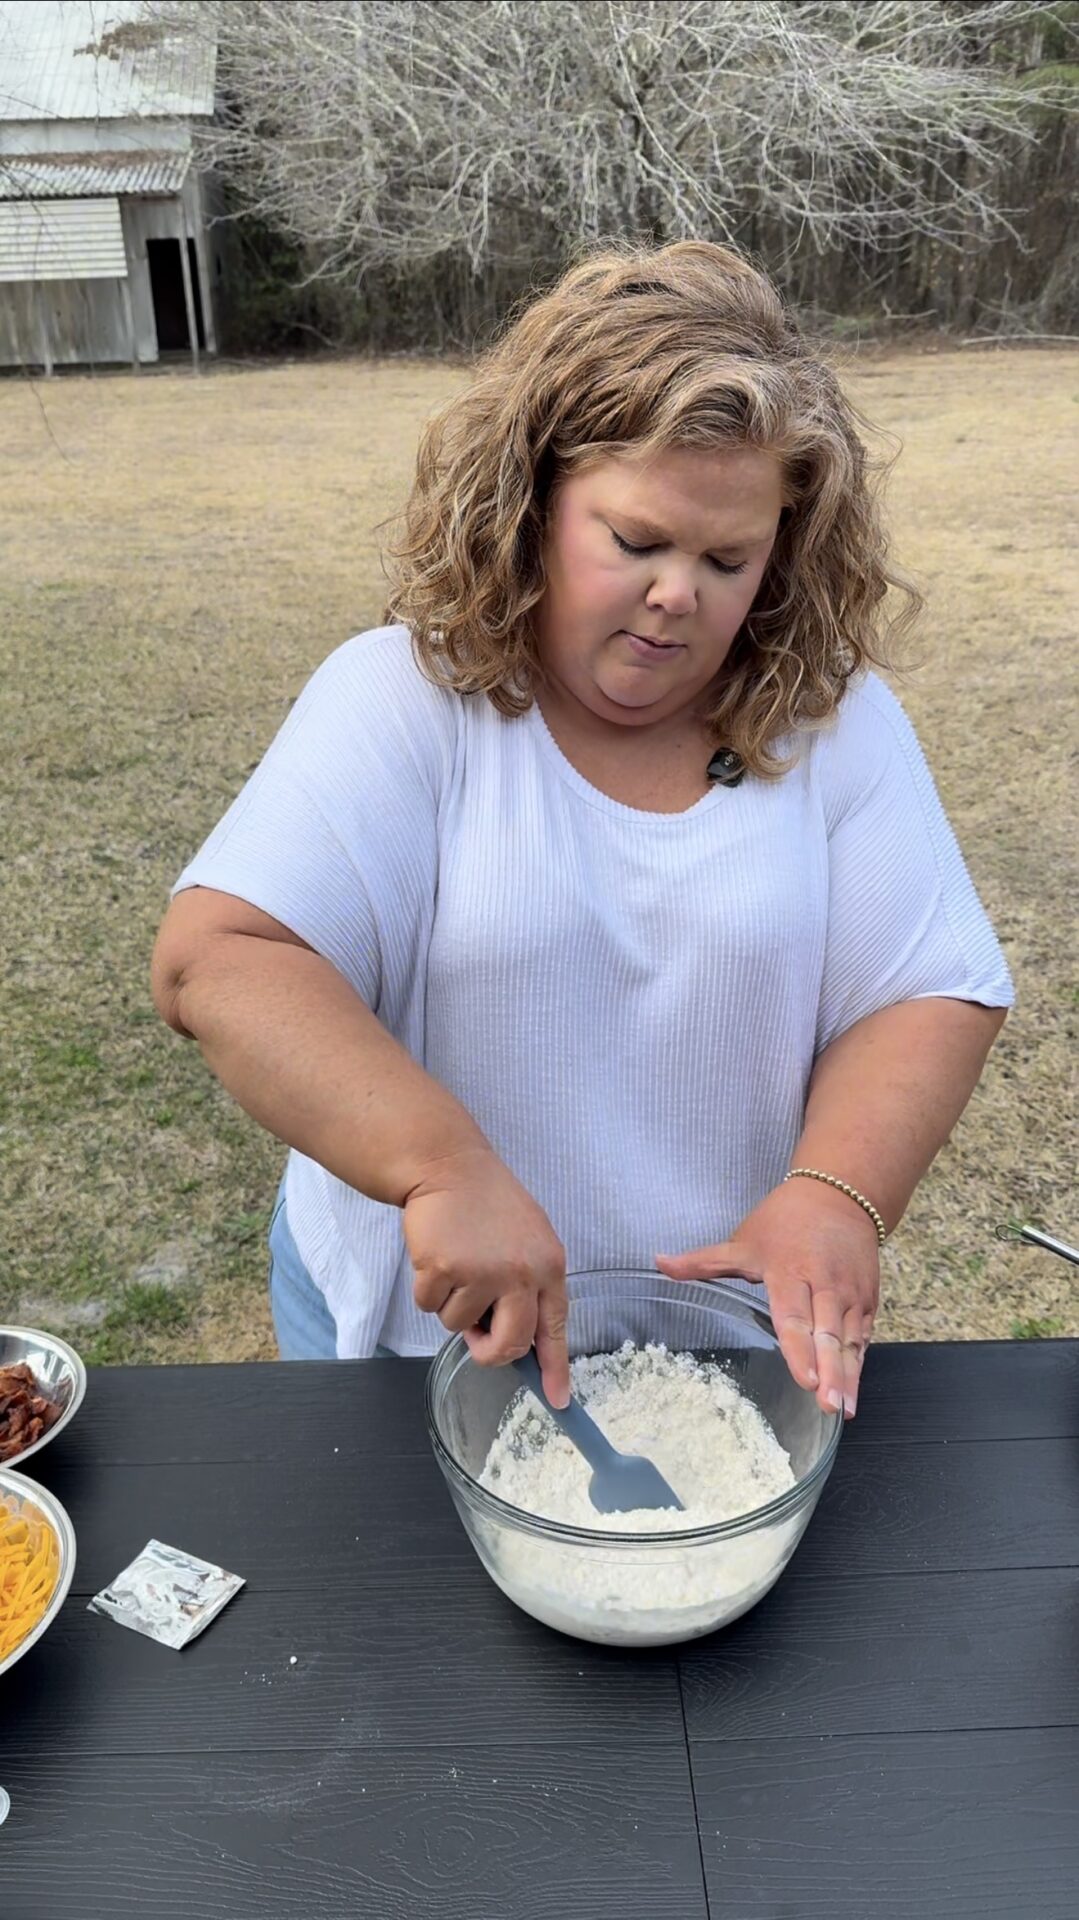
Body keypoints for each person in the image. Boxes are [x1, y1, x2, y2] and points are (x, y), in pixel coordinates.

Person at [151, 241, 1012, 1421]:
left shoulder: (837, 725)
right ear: (532, 502)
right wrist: (437, 1165)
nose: (679, 597)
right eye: (636, 541)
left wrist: (833, 1192)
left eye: (728, 559)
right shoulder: (406, 697)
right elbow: (221, 959)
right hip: (422, 1345)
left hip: (719, 1345)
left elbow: (925, 986)